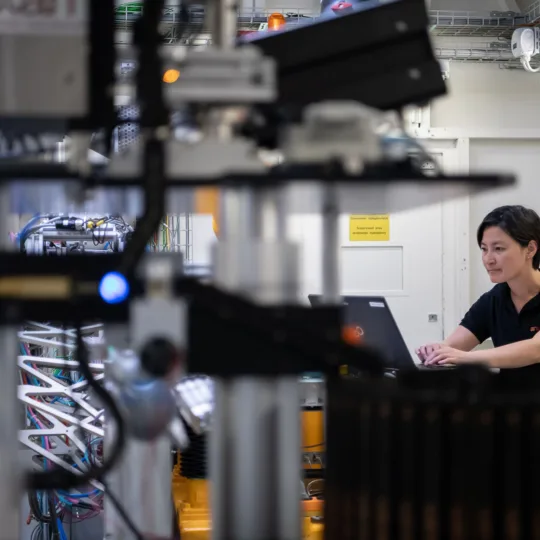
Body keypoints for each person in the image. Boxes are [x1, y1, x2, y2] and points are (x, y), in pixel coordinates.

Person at [416, 205, 540, 389]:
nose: (488, 259)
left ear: (530, 249)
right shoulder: (494, 299)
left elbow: (535, 350)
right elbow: (453, 346)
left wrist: (463, 358)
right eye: (484, 249)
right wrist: (436, 351)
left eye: (498, 248)